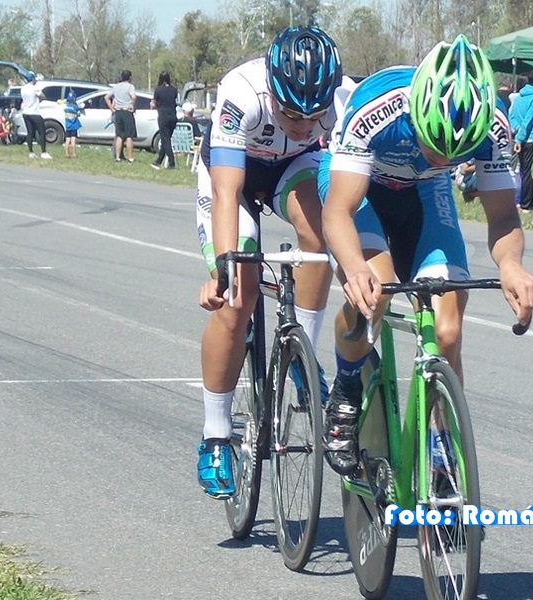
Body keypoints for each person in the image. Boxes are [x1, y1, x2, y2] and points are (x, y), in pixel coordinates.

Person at [318, 35, 533, 475]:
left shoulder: (494, 127)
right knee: (375, 294)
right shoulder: (377, 107)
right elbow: (338, 212)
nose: (442, 157)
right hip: (360, 188)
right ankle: (345, 387)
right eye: (433, 143)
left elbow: (503, 217)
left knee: (448, 329)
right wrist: (355, 267)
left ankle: (441, 447)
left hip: (424, 191)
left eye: (455, 153)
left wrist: (511, 264)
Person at [194, 26, 351, 499]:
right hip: (232, 174)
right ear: (272, 92)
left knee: (321, 232)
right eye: (291, 114)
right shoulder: (241, 91)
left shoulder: (343, 98)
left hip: (292, 169)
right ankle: (215, 435)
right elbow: (226, 191)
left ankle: (303, 357)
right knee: (238, 298)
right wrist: (224, 267)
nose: (303, 126)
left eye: (314, 117)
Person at [509, 69, 533, 211]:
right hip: (531, 139)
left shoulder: (518, 97)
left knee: (522, 171)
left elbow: (511, 117)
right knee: (531, 173)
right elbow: (529, 119)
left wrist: (517, 131)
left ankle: (521, 200)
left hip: (520, 138)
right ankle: (526, 204)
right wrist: (520, 138)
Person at [105, 70, 137, 163]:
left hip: (118, 112)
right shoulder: (130, 86)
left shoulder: (116, 87)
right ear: (129, 77)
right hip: (127, 112)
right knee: (129, 136)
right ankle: (130, 157)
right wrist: (133, 106)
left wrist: (112, 108)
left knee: (119, 135)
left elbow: (106, 97)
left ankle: (118, 157)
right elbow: (134, 97)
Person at [151, 71, 179, 170]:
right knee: (166, 139)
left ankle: (171, 162)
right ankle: (158, 161)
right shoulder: (174, 90)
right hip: (173, 116)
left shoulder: (158, 90)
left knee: (166, 140)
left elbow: (154, 104)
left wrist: (154, 105)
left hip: (163, 116)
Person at [21, 73, 52, 159]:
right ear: (33, 79)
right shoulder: (34, 88)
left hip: (26, 112)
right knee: (42, 132)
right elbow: (43, 96)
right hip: (34, 112)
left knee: (30, 133)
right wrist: (39, 100)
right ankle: (43, 152)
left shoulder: (23, 89)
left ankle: (31, 152)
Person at [63, 91, 82, 158]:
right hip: (74, 126)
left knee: (67, 140)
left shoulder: (66, 107)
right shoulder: (75, 107)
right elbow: (79, 114)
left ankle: (66, 154)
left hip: (67, 126)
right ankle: (74, 153)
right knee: (73, 140)